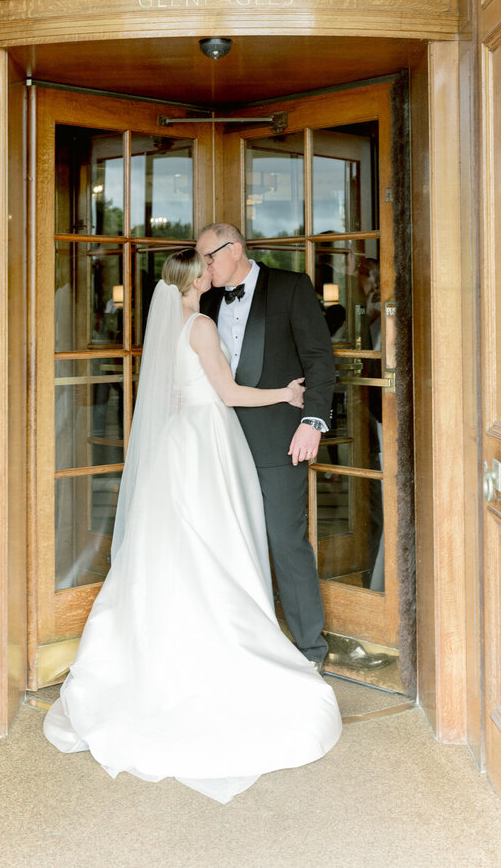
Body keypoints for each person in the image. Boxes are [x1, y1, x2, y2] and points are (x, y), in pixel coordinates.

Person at [43, 249, 342, 802]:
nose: (212, 271)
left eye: (213, 259)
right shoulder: (201, 325)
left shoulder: (174, 326)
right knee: (217, 542)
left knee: (180, 545)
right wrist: (284, 393)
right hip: (209, 443)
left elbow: (182, 391)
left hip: (182, 445)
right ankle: (219, 636)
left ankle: (168, 636)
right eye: (203, 267)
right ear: (193, 280)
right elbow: (226, 394)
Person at [196, 223, 337, 670]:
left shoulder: (291, 287)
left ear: (234, 250)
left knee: (284, 538)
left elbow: (319, 358)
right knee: (227, 540)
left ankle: (310, 649)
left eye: (209, 257)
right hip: (218, 438)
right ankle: (241, 641)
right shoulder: (206, 300)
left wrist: (312, 421)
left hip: (280, 436)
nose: (205, 267)